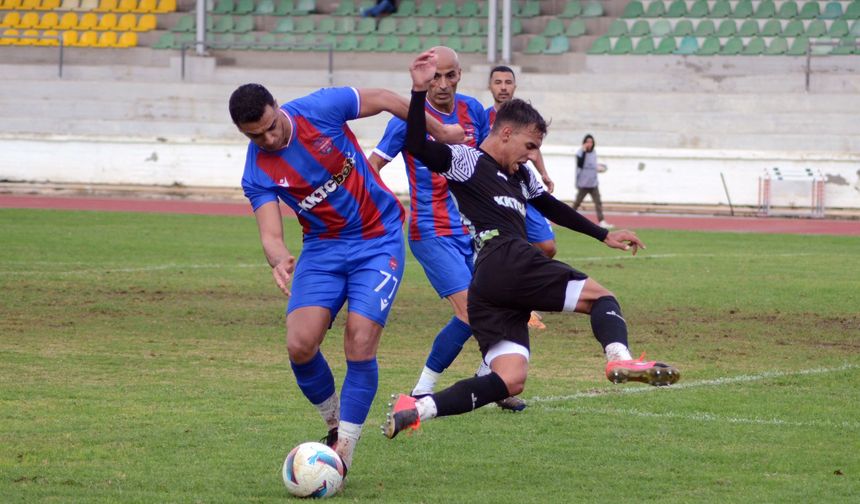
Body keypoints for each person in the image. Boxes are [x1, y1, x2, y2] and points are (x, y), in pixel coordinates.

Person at [382, 51, 680, 440]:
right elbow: (419, 147)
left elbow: (552, 206)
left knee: (510, 379)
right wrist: (419, 91)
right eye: (529, 145)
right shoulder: (467, 161)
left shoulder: (520, 175)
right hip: (505, 256)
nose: (530, 154)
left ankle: (418, 407)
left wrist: (603, 234)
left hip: (491, 282)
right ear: (505, 133)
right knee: (601, 298)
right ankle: (618, 359)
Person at [228, 83, 464, 471]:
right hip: (322, 248)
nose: (268, 139)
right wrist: (279, 257)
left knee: (360, 341)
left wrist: (440, 130)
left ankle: (346, 449)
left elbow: (388, 100)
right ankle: (335, 423)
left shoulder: (319, 108)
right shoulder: (257, 171)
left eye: (271, 126)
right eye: (255, 135)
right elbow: (270, 233)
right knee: (300, 345)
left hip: (378, 238)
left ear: (276, 106)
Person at [367, 47, 525, 412]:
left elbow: (491, 159)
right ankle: (422, 390)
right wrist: (381, 205)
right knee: (472, 311)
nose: (441, 84)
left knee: (497, 304)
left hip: (476, 231)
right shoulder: (407, 118)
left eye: (449, 75)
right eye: (434, 77)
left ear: (460, 75)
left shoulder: (473, 111)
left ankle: (492, 382)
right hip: (432, 232)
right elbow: (372, 167)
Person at [485, 64, 556, 330]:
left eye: (508, 82)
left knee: (547, 247)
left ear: (515, 86)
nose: (503, 87)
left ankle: (520, 289)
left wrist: (543, 174)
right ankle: (520, 304)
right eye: (498, 82)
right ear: (490, 87)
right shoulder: (483, 118)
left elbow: (533, 150)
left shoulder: (525, 118)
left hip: (523, 188)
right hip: (495, 192)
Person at [572, 134, 612, 229]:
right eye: (587, 142)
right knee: (577, 202)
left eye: (591, 142)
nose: (589, 144)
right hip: (584, 183)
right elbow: (580, 164)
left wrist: (599, 168)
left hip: (593, 183)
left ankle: (601, 221)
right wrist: (584, 151)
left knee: (598, 202)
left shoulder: (594, 153)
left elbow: (593, 166)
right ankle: (567, 218)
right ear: (584, 143)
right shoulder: (580, 153)